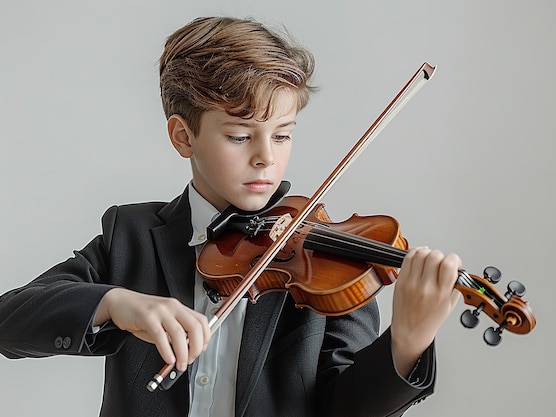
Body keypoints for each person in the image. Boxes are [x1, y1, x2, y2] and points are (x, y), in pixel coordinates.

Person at [0, 16, 461, 417]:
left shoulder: (326, 263)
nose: (265, 157)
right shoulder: (131, 237)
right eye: (241, 137)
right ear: (184, 138)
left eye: (282, 136)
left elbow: (344, 408)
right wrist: (116, 303)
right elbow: (9, 322)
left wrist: (406, 343)